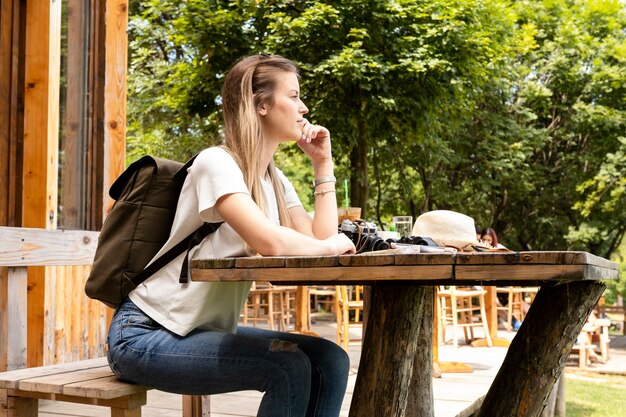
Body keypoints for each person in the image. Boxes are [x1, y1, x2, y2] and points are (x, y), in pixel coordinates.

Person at [106, 54, 357, 417]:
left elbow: (320, 237)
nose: (303, 107)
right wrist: (329, 245)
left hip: (196, 331)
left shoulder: (273, 177)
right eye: (294, 96)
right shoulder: (216, 163)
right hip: (144, 334)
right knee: (286, 367)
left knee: (330, 359)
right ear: (261, 105)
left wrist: (323, 164)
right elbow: (271, 243)